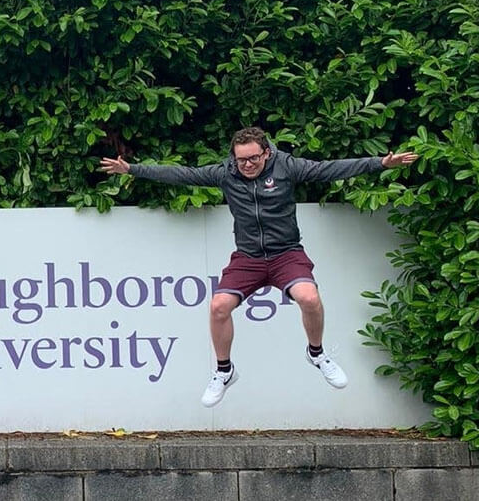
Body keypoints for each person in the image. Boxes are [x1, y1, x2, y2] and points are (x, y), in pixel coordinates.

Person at [99, 127, 418, 407]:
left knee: (309, 298)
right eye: (242, 160)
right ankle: (224, 371)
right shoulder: (226, 173)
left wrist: (380, 163)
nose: (248, 165)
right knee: (218, 306)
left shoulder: (287, 167)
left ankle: (317, 354)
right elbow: (183, 174)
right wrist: (132, 170)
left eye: (254, 158)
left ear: (267, 153)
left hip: (286, 254)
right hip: (248, 258)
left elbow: (328, 170)